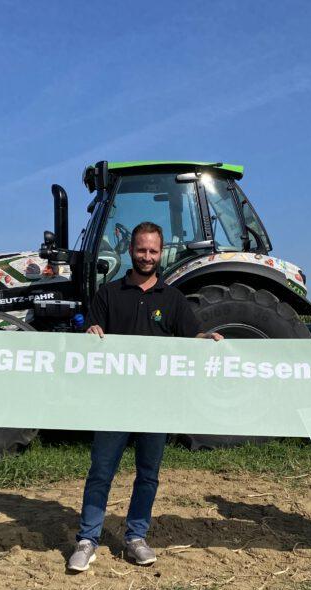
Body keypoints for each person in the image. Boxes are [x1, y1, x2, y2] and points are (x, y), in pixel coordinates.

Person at [67, 221, 222, 572]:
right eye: (141, 250)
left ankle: (136, 536)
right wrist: (91, 332)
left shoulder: (172, 299)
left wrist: (206, 340)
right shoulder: (108, 294)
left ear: (160, 252)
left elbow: (191, 337)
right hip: (114, 402)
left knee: (148, 473)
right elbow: (91, 337)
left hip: (156, 403)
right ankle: (87, 539)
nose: (147, 257)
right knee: (101, 471)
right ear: (131, 251)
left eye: (153, 251)